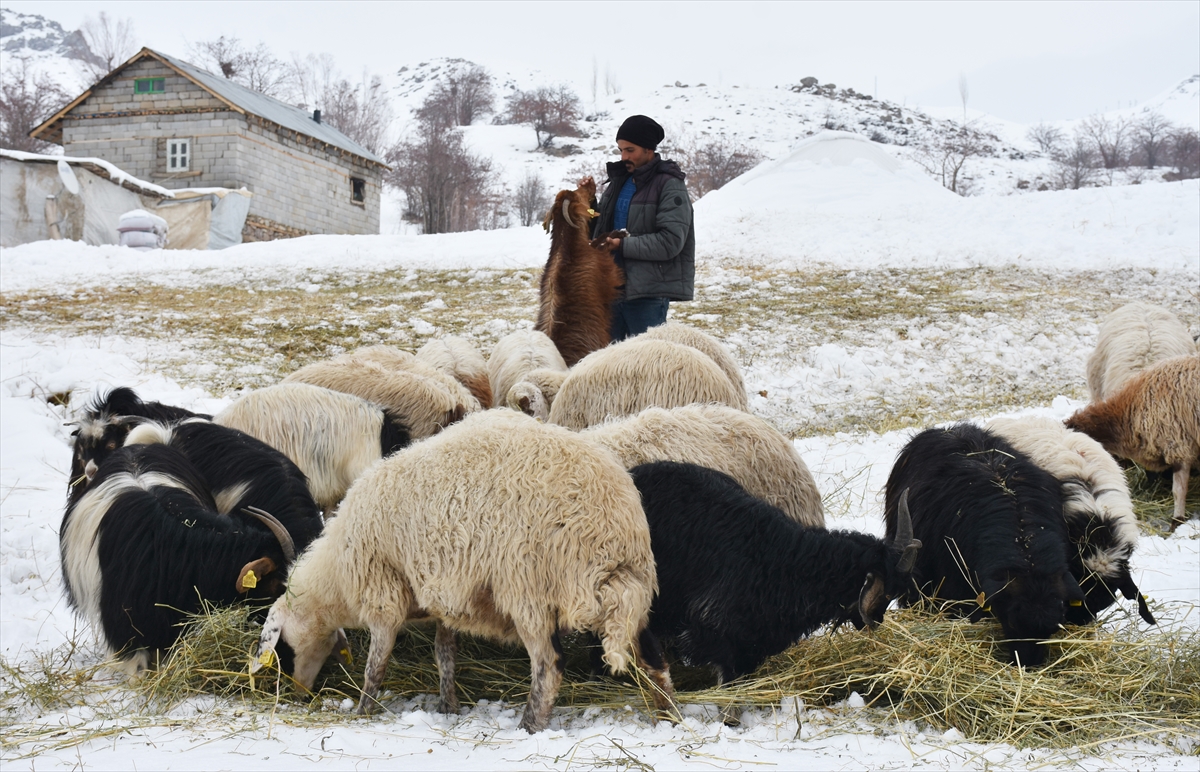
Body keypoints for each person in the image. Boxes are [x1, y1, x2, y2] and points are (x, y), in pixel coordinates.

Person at [585, 115, 695, 341]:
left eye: (630, 150)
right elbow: (598, 229)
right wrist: (588, 203)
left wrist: (621, 245)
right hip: (610, 289)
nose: (624, 156)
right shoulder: (619, 182)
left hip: (647, 296)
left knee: (646, 370)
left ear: (649, 149)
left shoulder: (669, 184)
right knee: (606, 368)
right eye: (620, 150)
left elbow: (670, 242)